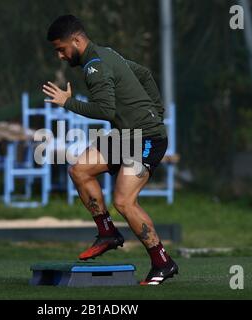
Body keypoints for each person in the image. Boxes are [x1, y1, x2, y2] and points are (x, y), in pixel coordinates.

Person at [43, 14, 178, 285]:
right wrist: (156, 109)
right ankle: (108, 233)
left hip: (146, 138)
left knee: (124, 201)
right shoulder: (107, 53)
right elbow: (144, 74)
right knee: (79, 170)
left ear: (77, 41)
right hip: (125, 136)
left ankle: (163, 262)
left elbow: (105, 110)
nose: (60, 56)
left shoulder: (95, 66)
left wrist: (68, 103)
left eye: (61, 49)